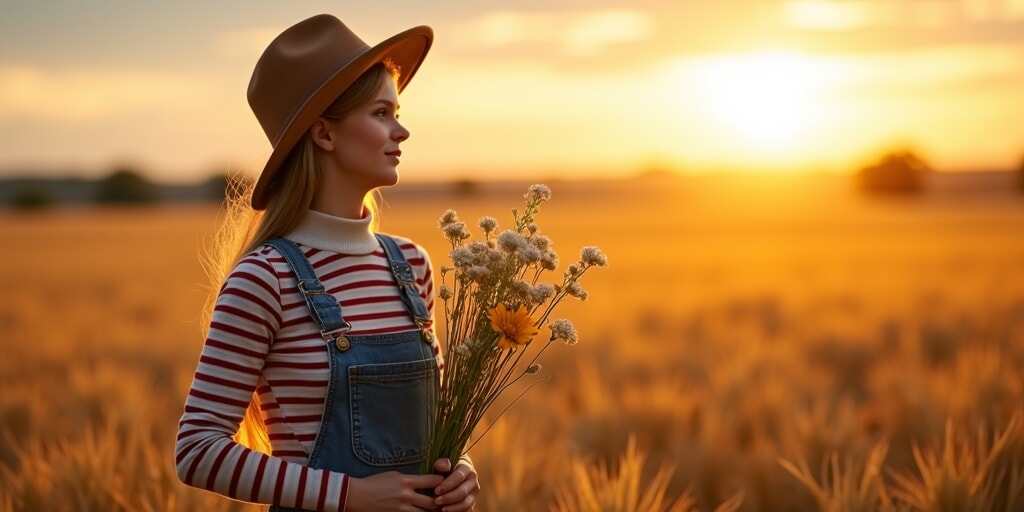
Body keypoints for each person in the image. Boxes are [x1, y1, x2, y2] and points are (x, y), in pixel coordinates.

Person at [174, 14, 480, 512]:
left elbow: (432, 421)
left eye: (397, 111)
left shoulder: (411, 265)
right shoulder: (264, 278)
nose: (401, 130)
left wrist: (462, 470)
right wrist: (350, 496)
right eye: (381, 112)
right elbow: (197, 449)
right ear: (325, 134)